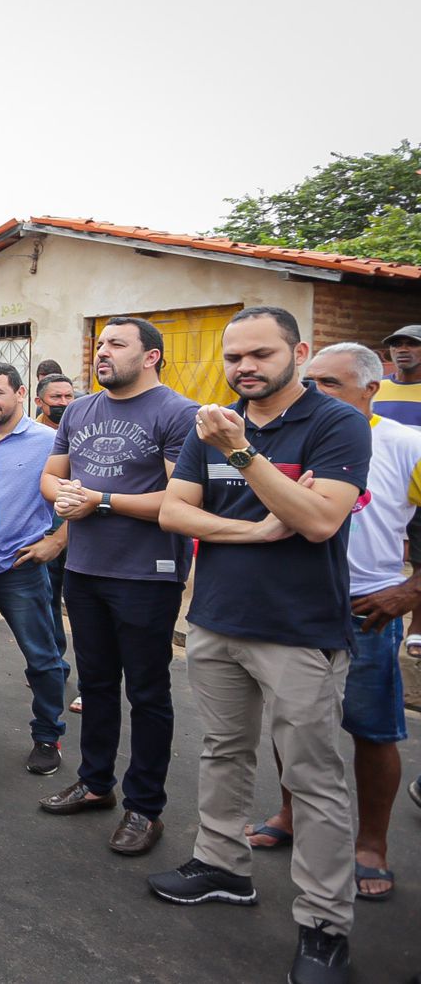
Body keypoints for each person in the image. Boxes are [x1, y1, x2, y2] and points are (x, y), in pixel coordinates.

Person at [148, 308, 370, 984]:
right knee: (222, 750)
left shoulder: (337, 423)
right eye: (234, 355)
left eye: (261, 353)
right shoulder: (207, 424)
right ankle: (221, 866)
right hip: (216, 619)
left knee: (313, 775)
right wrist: (254, 531)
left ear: (297, 352)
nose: (245, 366)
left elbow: (321, 519)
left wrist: (244, 454)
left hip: (300, 629)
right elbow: (171, 510)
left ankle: (325, 925)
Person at [232, 342, 421, 906]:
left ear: (372, 389)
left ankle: (371, 844)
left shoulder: (405, 443)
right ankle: (290, 813)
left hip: (366, 609)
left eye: (331, 384)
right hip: (292, 605)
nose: (316, 393)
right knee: (292, 726)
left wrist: (408, 592)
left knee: (372, 728)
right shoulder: (285, 433)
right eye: (311, 382)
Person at [38, 316, 197, 857]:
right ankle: (96, 783)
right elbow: (52, 474)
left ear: (150, 356)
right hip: (85, 569)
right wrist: (59, 496)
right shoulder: (79, 410)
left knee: (148, 692)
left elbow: (183, 499)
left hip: (146, 575)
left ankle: (145, 808)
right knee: (98, 682)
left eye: (115, 344)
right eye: (99, 343)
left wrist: (100, 501)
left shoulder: (179, 413)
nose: (101, 352)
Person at [0, 362, 70, 776]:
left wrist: (56, 541)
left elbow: (79, 493)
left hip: (21, 567)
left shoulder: (50, 441)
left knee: (42, 658)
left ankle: (47, 735)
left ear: (21, 394)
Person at [373, 323, 421, 664]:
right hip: (384, 486)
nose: (403, 350)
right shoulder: (376, 390)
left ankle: (416, 626)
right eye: (397, 344)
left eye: (412, 345)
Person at [35, 373, 79, 710]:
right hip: (45, 532)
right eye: (56, 397)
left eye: (68, 396)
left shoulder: (82, 434)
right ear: (38, 401)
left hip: (78, 530)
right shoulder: (32, 436)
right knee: (48, 604)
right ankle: (55, 666)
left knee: (79, 608)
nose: (63, 403)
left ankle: (91, 683)